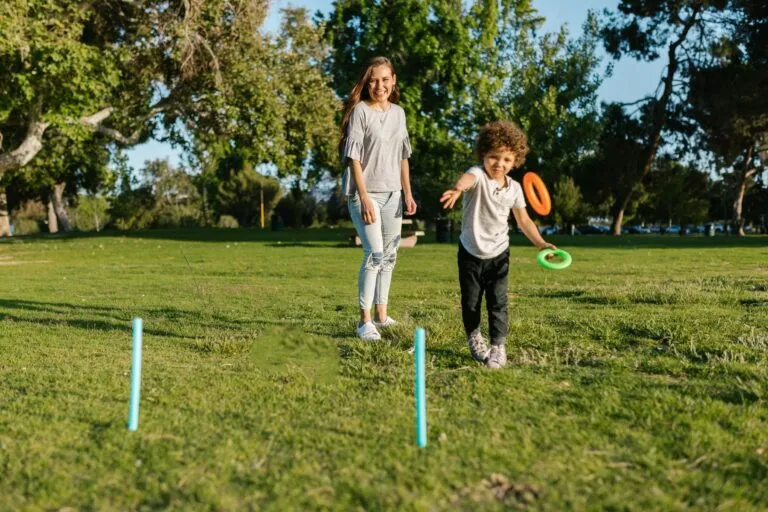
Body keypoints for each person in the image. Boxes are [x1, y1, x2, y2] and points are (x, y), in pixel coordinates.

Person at [440, 120, 556, 369]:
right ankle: (474, 337)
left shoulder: (514, 188)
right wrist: (458, 189)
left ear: (515, 161)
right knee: (471, 302)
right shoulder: (479, 175)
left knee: (498, 301)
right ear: (484, 155)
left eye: (506, 160)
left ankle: (497, 347)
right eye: (494, 157)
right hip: (470, 252)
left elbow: (523, 221)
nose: (499, 164)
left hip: (499, 253)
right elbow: (468, 178)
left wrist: (540, 243)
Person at [340, 56, 417, 341]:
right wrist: (364, 197)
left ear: (393, 80)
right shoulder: (361, 111)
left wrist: (407, 193)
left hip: (393, 194)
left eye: (385, 79)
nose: (379, 85)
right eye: (373, 80)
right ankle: (364, 322)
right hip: (365, 194)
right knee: (374, 254)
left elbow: (403, 156)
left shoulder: (399, 113)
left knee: (390, 255)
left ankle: (383, 317)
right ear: (366, 83)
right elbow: (354, 159)